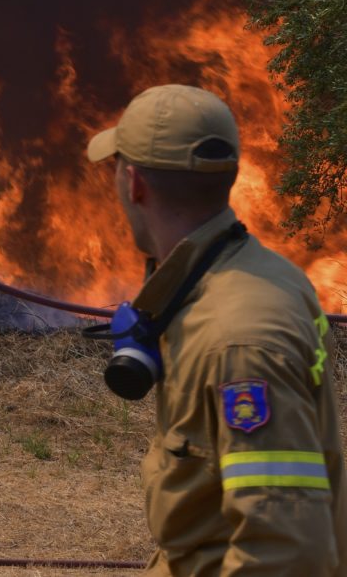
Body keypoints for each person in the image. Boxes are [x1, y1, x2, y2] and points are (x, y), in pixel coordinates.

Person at [86, 84, 347, 575]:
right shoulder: (260, 274)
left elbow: (285, 554)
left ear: (135, 183)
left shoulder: (239, 340)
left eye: (117, 167)